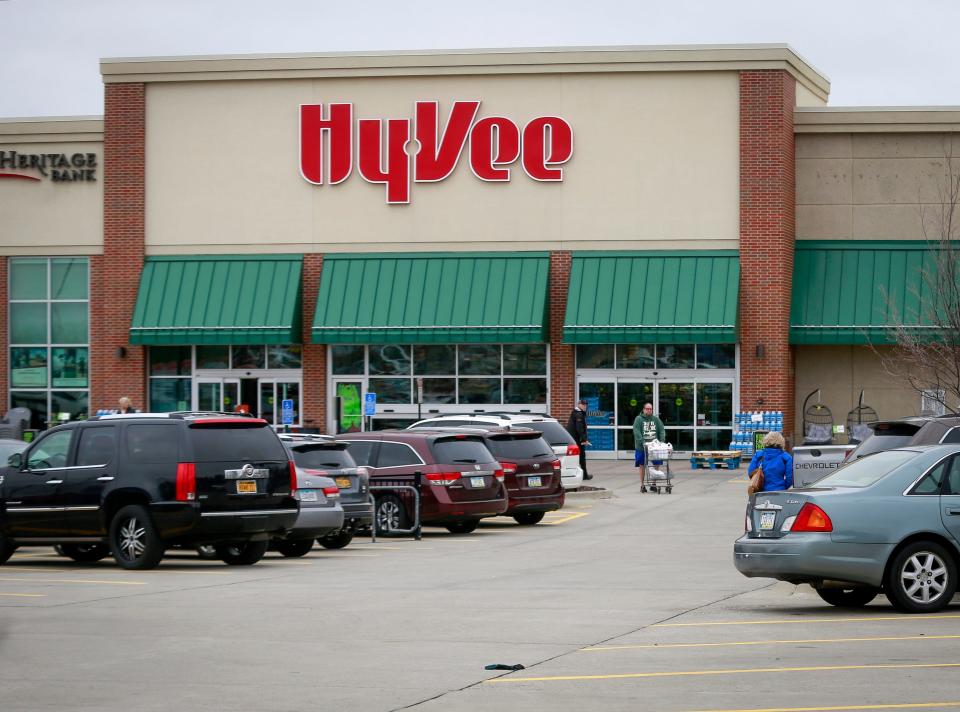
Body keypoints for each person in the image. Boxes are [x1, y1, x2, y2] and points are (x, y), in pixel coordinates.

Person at [632, 403, 666, 493]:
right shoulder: (638, 419)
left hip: (654, 447)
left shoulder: (656, 419)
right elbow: (636, 431)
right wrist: (642, 442)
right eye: (647, 409)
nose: (649, 410)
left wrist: (661, 440)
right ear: (643, 409)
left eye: (650, 409)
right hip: (642, 447)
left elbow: (661, 429)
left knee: (656, 464)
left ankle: (653, 484)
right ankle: (642, 485)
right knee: (642, 465)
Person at [566, 399, 592, 481]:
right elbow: (579, 429)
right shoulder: (578, 414)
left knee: (579, 458)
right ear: (579, 405)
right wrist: (585, 439)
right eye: (583, 405)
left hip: (575, 440)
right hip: (577, 440)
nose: (585, 406)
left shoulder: (576, 413)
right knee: (581, 458)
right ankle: (584, 475)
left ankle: (583, 475)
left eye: (586, 405)